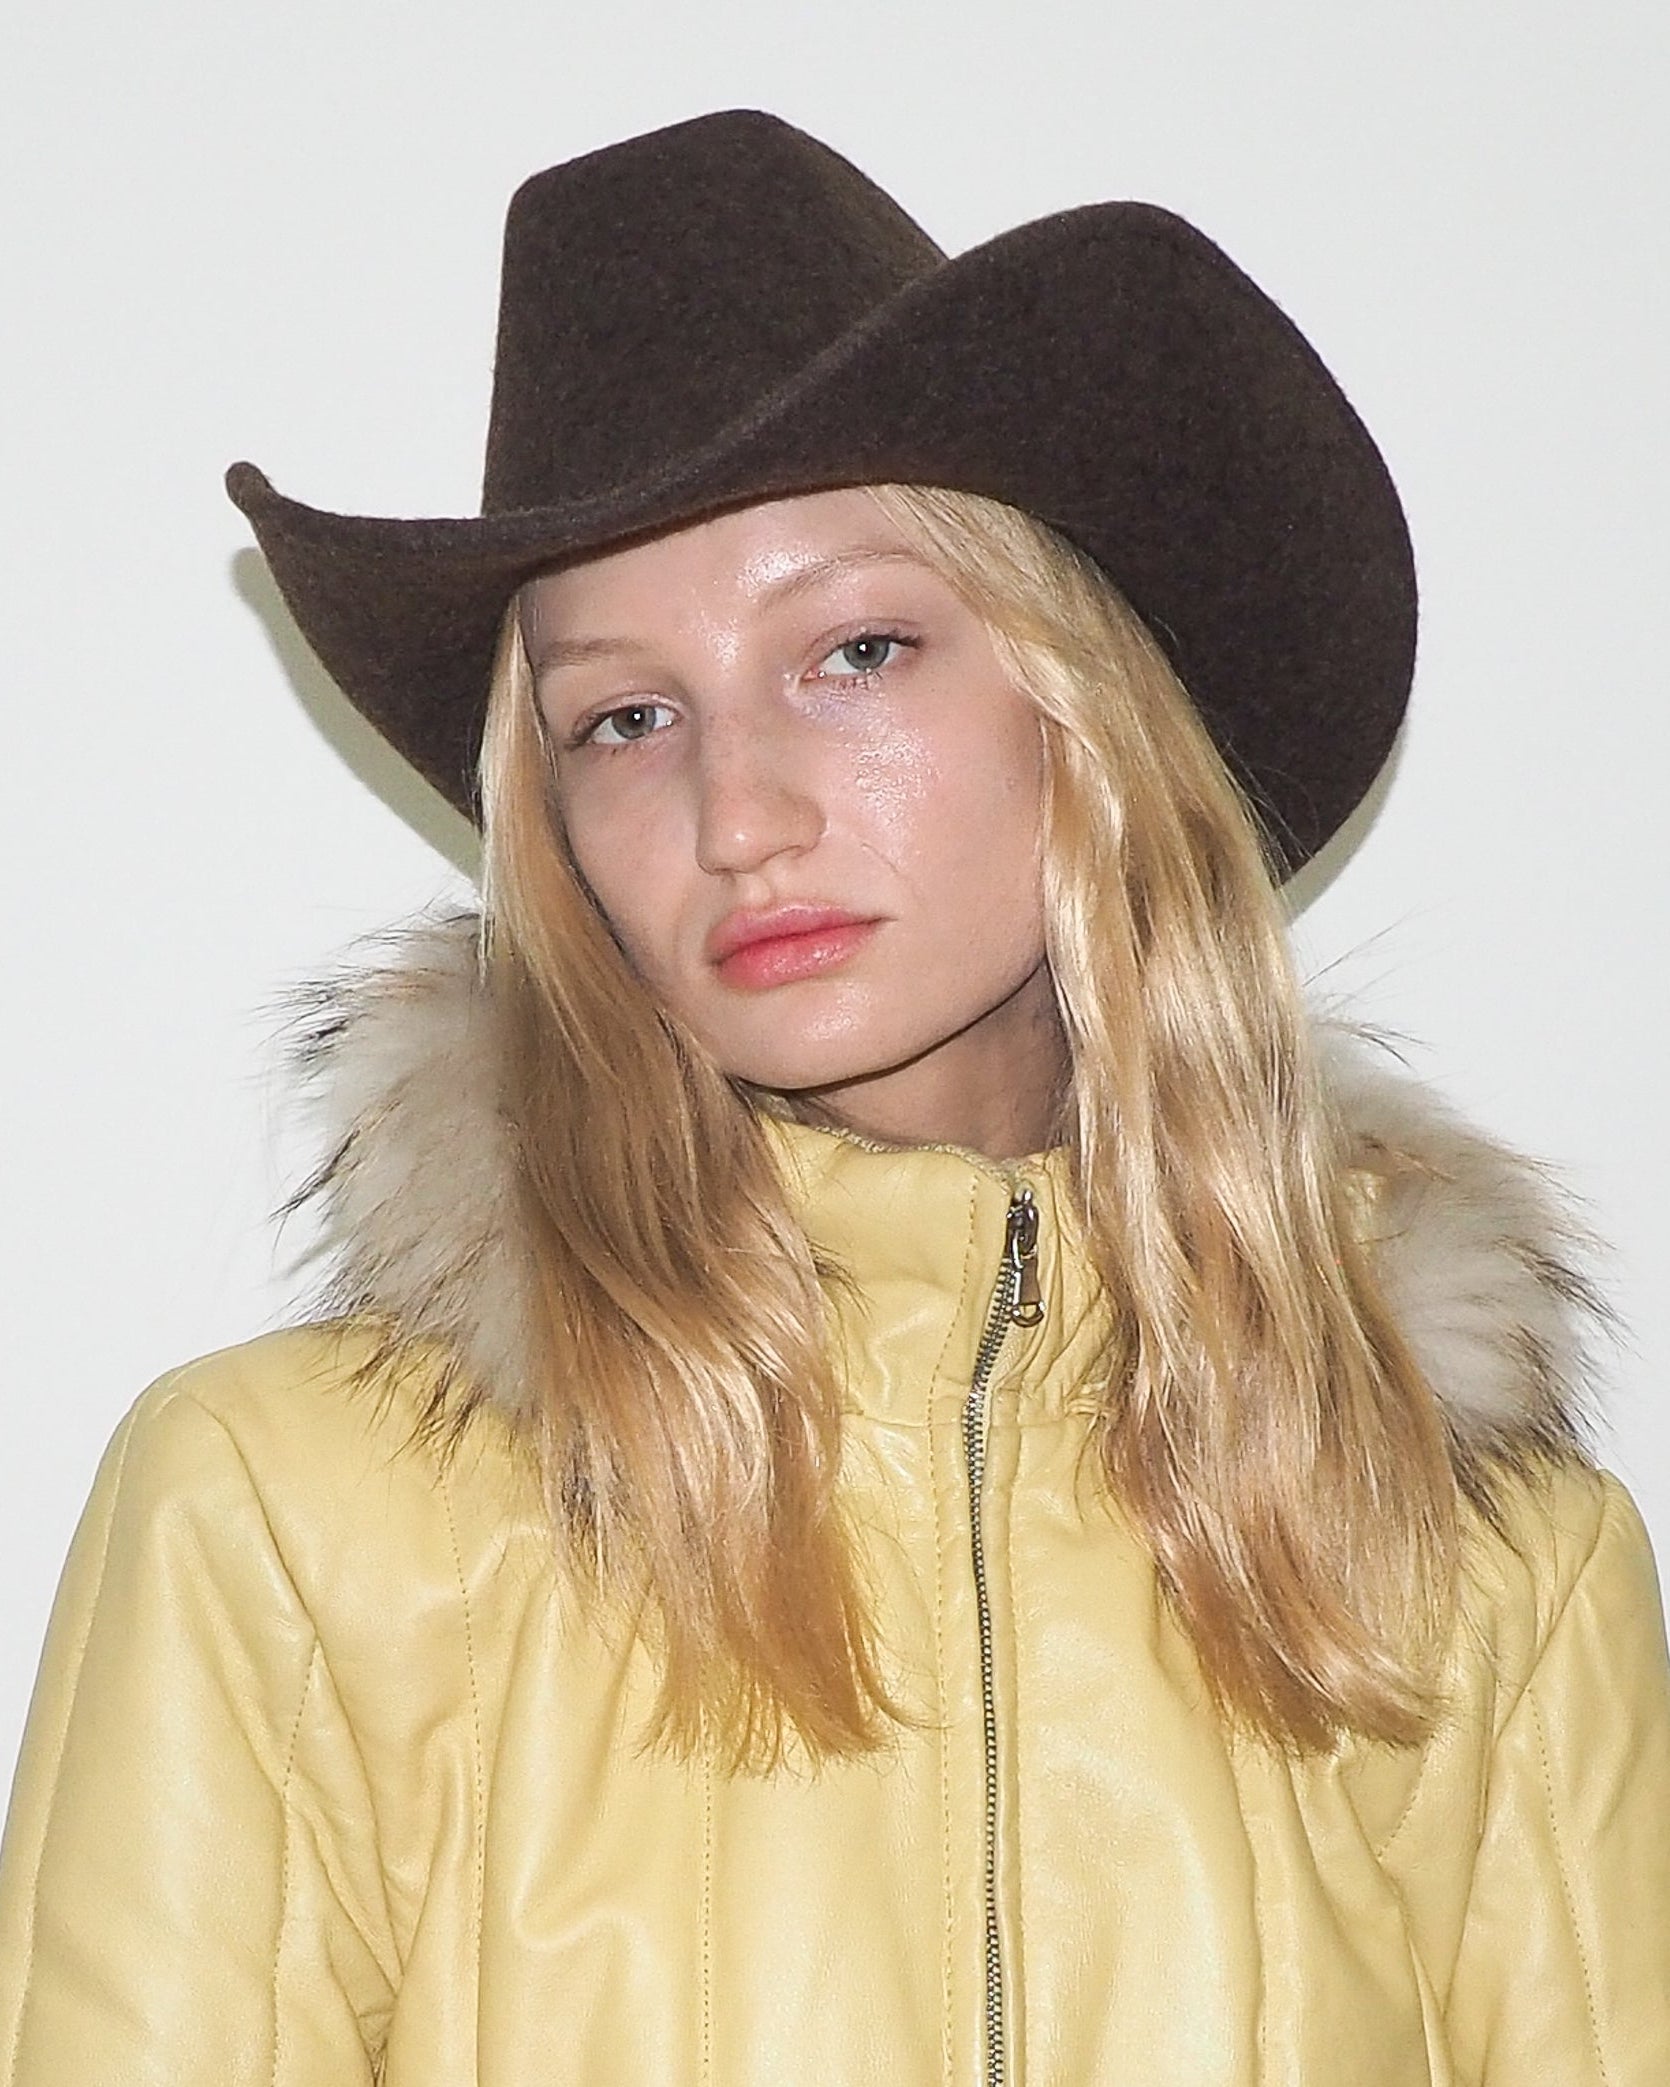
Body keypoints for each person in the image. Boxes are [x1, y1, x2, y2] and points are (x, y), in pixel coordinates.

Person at [1, 108, 1666, 2087]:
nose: (738, 815)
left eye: (856, 650)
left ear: (1085, 711)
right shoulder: (285, 1514)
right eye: (626, 717)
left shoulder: (1481, 1566)